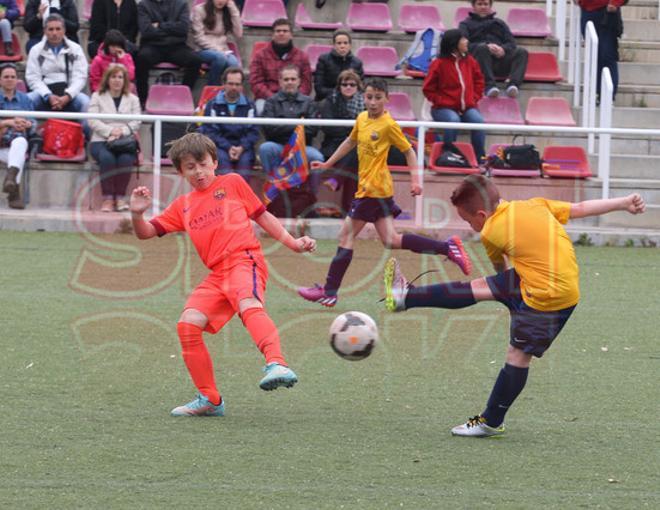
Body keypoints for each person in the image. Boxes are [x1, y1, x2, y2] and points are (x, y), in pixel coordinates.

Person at [384, 175, 646, 437]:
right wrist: (623, 202)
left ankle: (491, 421)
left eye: (467, 220)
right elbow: (579, 209)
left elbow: (500, 268)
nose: (469, 225)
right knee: (478, 288)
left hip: (548, 296)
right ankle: (407, 297)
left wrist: (509, 297)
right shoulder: (533, 204)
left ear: (482, 214)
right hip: (545, 278)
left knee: (518, 355)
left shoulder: (491, 231)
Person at [129, 133, 317, 417]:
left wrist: (293, 243)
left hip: (245, 260)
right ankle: (209, 399)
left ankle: (277, 363)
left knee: (248, 304)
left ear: (215, 161)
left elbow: (262, 215)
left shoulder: (232, 183)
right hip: (218, 274)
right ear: (181, 172)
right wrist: (136, 215)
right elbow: (146, 233)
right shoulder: (183, 205)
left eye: (202, 163)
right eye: (190, 167)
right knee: (187, 324)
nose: (199, 171)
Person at [298, 78, 472, 308]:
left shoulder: (388, 125)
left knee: (346, 235)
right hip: (372, 189)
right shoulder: (361, 119)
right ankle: (447, 247)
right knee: (392, 240)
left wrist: (416, 179)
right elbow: (350, 143)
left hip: (374, 189)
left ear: (386, 99)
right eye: (369, 97)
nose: (372, 102)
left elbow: (409, 151)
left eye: (378, 98)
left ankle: (329, 291)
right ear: (364, 97)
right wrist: (328, 163)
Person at [259, 64, 324, 196]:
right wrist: (298, 126)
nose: (290, 82)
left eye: (293, 79)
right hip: (278, 146)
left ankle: (312, 196)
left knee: (318, 157)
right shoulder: (271, 102)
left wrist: (283, 126)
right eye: (286, 79)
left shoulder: (309, 102)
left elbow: (313, 130)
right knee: (265, 148)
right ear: (280, 81)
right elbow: (269, 129)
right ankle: (273, 192)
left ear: (299, 81)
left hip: (302, 147)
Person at [422, 29, 486, 162]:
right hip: (442, 108)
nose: (466, 41)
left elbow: (479, 81)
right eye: (463, 39)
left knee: (479, 122)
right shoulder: (438, 64)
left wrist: (473, 98)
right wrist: (440, 101)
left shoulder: (470, 61)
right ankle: (448, 153)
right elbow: (428, 89)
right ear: (454, 43)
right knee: (453, 120)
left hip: (467, 107)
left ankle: (479, 158)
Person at [88, 64, 141, 213]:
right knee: (107, 158)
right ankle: (108, 199)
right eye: (113, 77)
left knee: (125, 159)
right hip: (101, 139)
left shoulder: (133, 99)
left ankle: (120, 198)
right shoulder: (97, 96)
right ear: (107, 79)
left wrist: (121, 132)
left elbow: (137, 121)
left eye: (120, 77)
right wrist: (110, 131)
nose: (117, 80)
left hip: (125, 141)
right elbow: (92, 120)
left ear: (125, 80)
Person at [135, 0, 202, 106]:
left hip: (176, 46)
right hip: (153, 46)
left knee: (195, 61)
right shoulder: (143, 5)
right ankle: (143, 100)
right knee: (141, 58)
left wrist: (159, 25)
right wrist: (172, 29)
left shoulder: (182, 4)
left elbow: (183, 29)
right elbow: (146, 30)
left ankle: (182, 97)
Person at [459, 0, 528, 99]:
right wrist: (487, 46)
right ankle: (489, 87)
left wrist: (503, 49)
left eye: (486, 4)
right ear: (473, 6)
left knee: (521, 52)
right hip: (478, 63)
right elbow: (463, 45)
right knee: (482, 48)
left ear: (490, 6)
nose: (483, 7)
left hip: (499, 62)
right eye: (480, 4)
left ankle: (513, 85)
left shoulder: (500, 23)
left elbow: (511, 43)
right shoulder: (465, 24)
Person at [198, 67, 258, 180]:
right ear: (223, 83)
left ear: (242, 86)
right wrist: (228, 147)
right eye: (230, 84)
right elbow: (210, 131)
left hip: (243, 148)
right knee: (224, 174)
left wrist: (241, 147)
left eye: (237, 84)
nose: (234, 87)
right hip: (220, 147)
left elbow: (253, 132)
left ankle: (240, 198)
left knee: (243, 175)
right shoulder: (213, 104)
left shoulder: (250, 105)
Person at [318, 69, 364, 214]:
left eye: (352, 84)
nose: (348, 87)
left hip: (355, 147)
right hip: (333, 146)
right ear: (339, 86)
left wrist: (350, 133)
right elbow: (330, 128)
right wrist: (351, 130)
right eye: (345, 84)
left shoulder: (364, 103)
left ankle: (336, 180)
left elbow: (363, 129)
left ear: (358, 86)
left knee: (355, 154)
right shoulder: (329, 101)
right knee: (354, 155)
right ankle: (349, 210)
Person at [25, 14, 89, 114]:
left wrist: (68, 96)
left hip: (70, 94)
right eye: (51, 29)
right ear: (45, 31)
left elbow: (80, 77)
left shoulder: (75, 49)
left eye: (58, 29)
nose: (54, 33)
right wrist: (48, 95)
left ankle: (86, 130)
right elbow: (33, 78)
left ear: (64, 30)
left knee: (85, 102)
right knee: (27, 100)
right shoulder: (36, 50)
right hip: (43, 95)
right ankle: (31, 127)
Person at [249, 18, 312, 114]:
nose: (281, 33)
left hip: (295, 98)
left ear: (291, 35)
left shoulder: (302, 57)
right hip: (267, 98)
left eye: (285, 31)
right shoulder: (260, 55)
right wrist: (274, 98)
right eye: (278, 31)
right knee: (261, 109)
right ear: (272, 35)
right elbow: (256, 83)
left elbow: (306, 84)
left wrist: (293, 98)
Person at [0, 63, 35, 210]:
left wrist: (26, 124)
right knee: (18, 156)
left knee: (20, 142)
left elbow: (34, 122)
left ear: (17, 80)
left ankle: (10, 179)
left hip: (14, 145)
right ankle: (14, 195)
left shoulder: (25, 99)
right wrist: (8, 122)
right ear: (0, 80)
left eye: (13, 77)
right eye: (6, 77)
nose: (9, 79)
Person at [579, 0, 624, 102]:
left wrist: (615, 3)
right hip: (587, 11)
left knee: (607, 54)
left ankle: (608, 95)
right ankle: (598, 92)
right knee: (594, 55)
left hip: (607, 11)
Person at [191, 0, 242, 86]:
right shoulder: (199, 10)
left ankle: (226, 92)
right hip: (202, 49)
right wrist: (217, 50)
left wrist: (233, 10)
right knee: (220, 58)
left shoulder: (228, 11)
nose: (221, 1)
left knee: (233, 63)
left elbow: (239, 34)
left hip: (223, 49)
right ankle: (212, 88)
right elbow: (198, 37)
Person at [313, 29, 364, 101]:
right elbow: (319, 88)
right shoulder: (323, 60)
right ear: (334, 45)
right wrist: (340, 93)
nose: (342, 46)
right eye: (339, 43)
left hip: (350, 101)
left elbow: (360, 88)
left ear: (350, 45)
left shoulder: (357, 63)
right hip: (327, 100)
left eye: (345, 43)